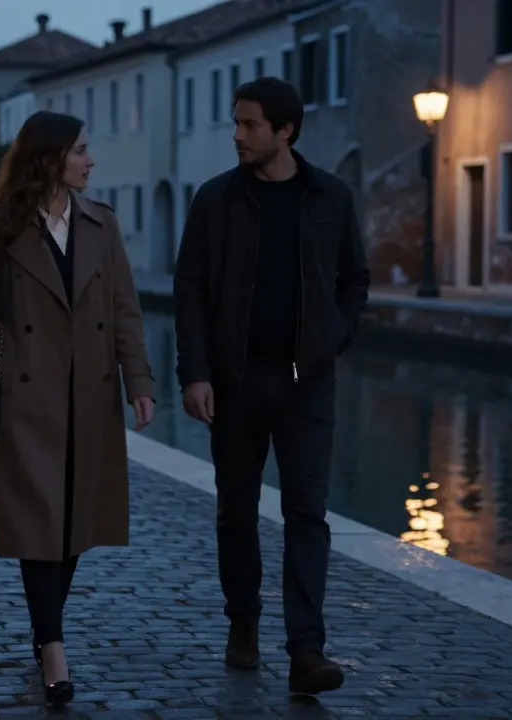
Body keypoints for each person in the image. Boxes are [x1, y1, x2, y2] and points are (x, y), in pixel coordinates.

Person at [172, 77, 371, 695]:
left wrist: (333, 336)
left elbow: (354, 277)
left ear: (285, 130)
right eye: (236, 123)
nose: (237, 135)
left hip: (307, 383)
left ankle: (307, 651)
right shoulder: (215, 200)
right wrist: (196, 373)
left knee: (307, 513)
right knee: (237, 512)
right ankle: (243, 624)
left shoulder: (329, 197)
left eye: (250, 125)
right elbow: (191, 290)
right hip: (234, 383)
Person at [0, 110, 156, 707]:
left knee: (73, 525)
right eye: (81, 150)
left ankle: (44, 632)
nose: (91, 161)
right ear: (49, 157)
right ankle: (54, 648)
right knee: (38, 521)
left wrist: (138, 381)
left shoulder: (102, 225)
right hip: (27, 397)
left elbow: (124, 312)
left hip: (90, 395)